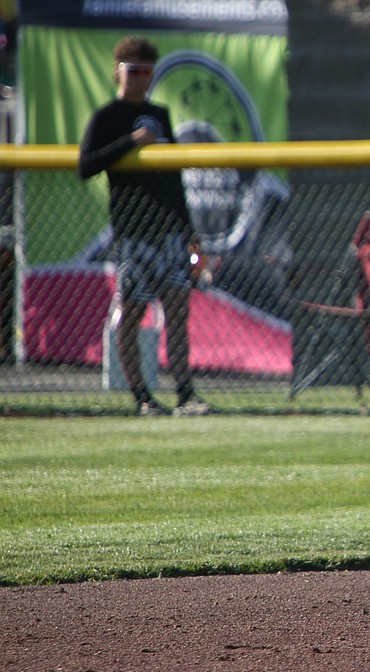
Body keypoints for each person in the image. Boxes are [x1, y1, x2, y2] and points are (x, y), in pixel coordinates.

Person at [78, 36, 209, 417]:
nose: (141, 78)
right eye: (134, 70)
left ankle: (185, 394)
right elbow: (86, 166)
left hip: (169, 232)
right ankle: (142, 397)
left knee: (179, 313)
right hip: (135, 233)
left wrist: (189, 232)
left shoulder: (161, 113)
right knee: (133, 314)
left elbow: (173, 178)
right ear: (118, 71)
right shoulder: (107, 117)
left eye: (148, 71)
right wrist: (130, 142)